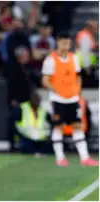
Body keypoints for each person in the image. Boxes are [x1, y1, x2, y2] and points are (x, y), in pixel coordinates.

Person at [41, 32, 98, 166]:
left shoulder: (74, 58)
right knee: (58, 127)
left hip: (72, 98)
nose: (66, 45)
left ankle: (84, 158)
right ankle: (60, 158)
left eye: (67, 43)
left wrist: (76, 89)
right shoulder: (50, 60)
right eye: (63, 43)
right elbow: (45, 80)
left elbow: (78, 76)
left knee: (77, 126)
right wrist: (56, 90)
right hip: (58, 99)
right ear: (58, 43)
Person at [12, 92, 52, 156]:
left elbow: (50, 122)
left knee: (49, 149)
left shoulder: (43, 110)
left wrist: (48, 135)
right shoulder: (23, 108)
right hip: (26, 137)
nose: (36, 102)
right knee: (27, 148)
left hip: (41, 138)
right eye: (34, 100)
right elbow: (13, 123)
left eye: (38, 100)